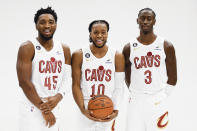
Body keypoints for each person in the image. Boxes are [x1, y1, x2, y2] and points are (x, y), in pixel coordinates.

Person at [16, 7, 71, 131]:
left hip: (54, 104)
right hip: (32, 107)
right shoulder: (27, 47)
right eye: (42, 22)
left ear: (56, 24)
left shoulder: (64, 49)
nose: (47, 25)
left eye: (51, 22)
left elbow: (68, 78)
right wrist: (43, 109)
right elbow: (24, 82)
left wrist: (59, 96)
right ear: (36, 25)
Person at [123, 8, 177, 131]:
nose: (145, 21)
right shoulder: (129, 47)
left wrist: (162, 96)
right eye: (142, 18)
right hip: (136, 100)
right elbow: (127, 75)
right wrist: (137, 91)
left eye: (149, 18)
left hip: (157, 98)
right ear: (137, 21)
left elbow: (173, 78)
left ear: (154, 21)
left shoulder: (166, 45)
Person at [72, 20, 125, 131]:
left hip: (107, 106)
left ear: (107, 34)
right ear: (90, 34)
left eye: (103, 32)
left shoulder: (117, 55)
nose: (99, 35)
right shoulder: (79, 54)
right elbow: (76, 85)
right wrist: (83, 110)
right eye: (95, 32)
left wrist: (115, 109)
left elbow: (119, 86)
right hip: (86, 105)